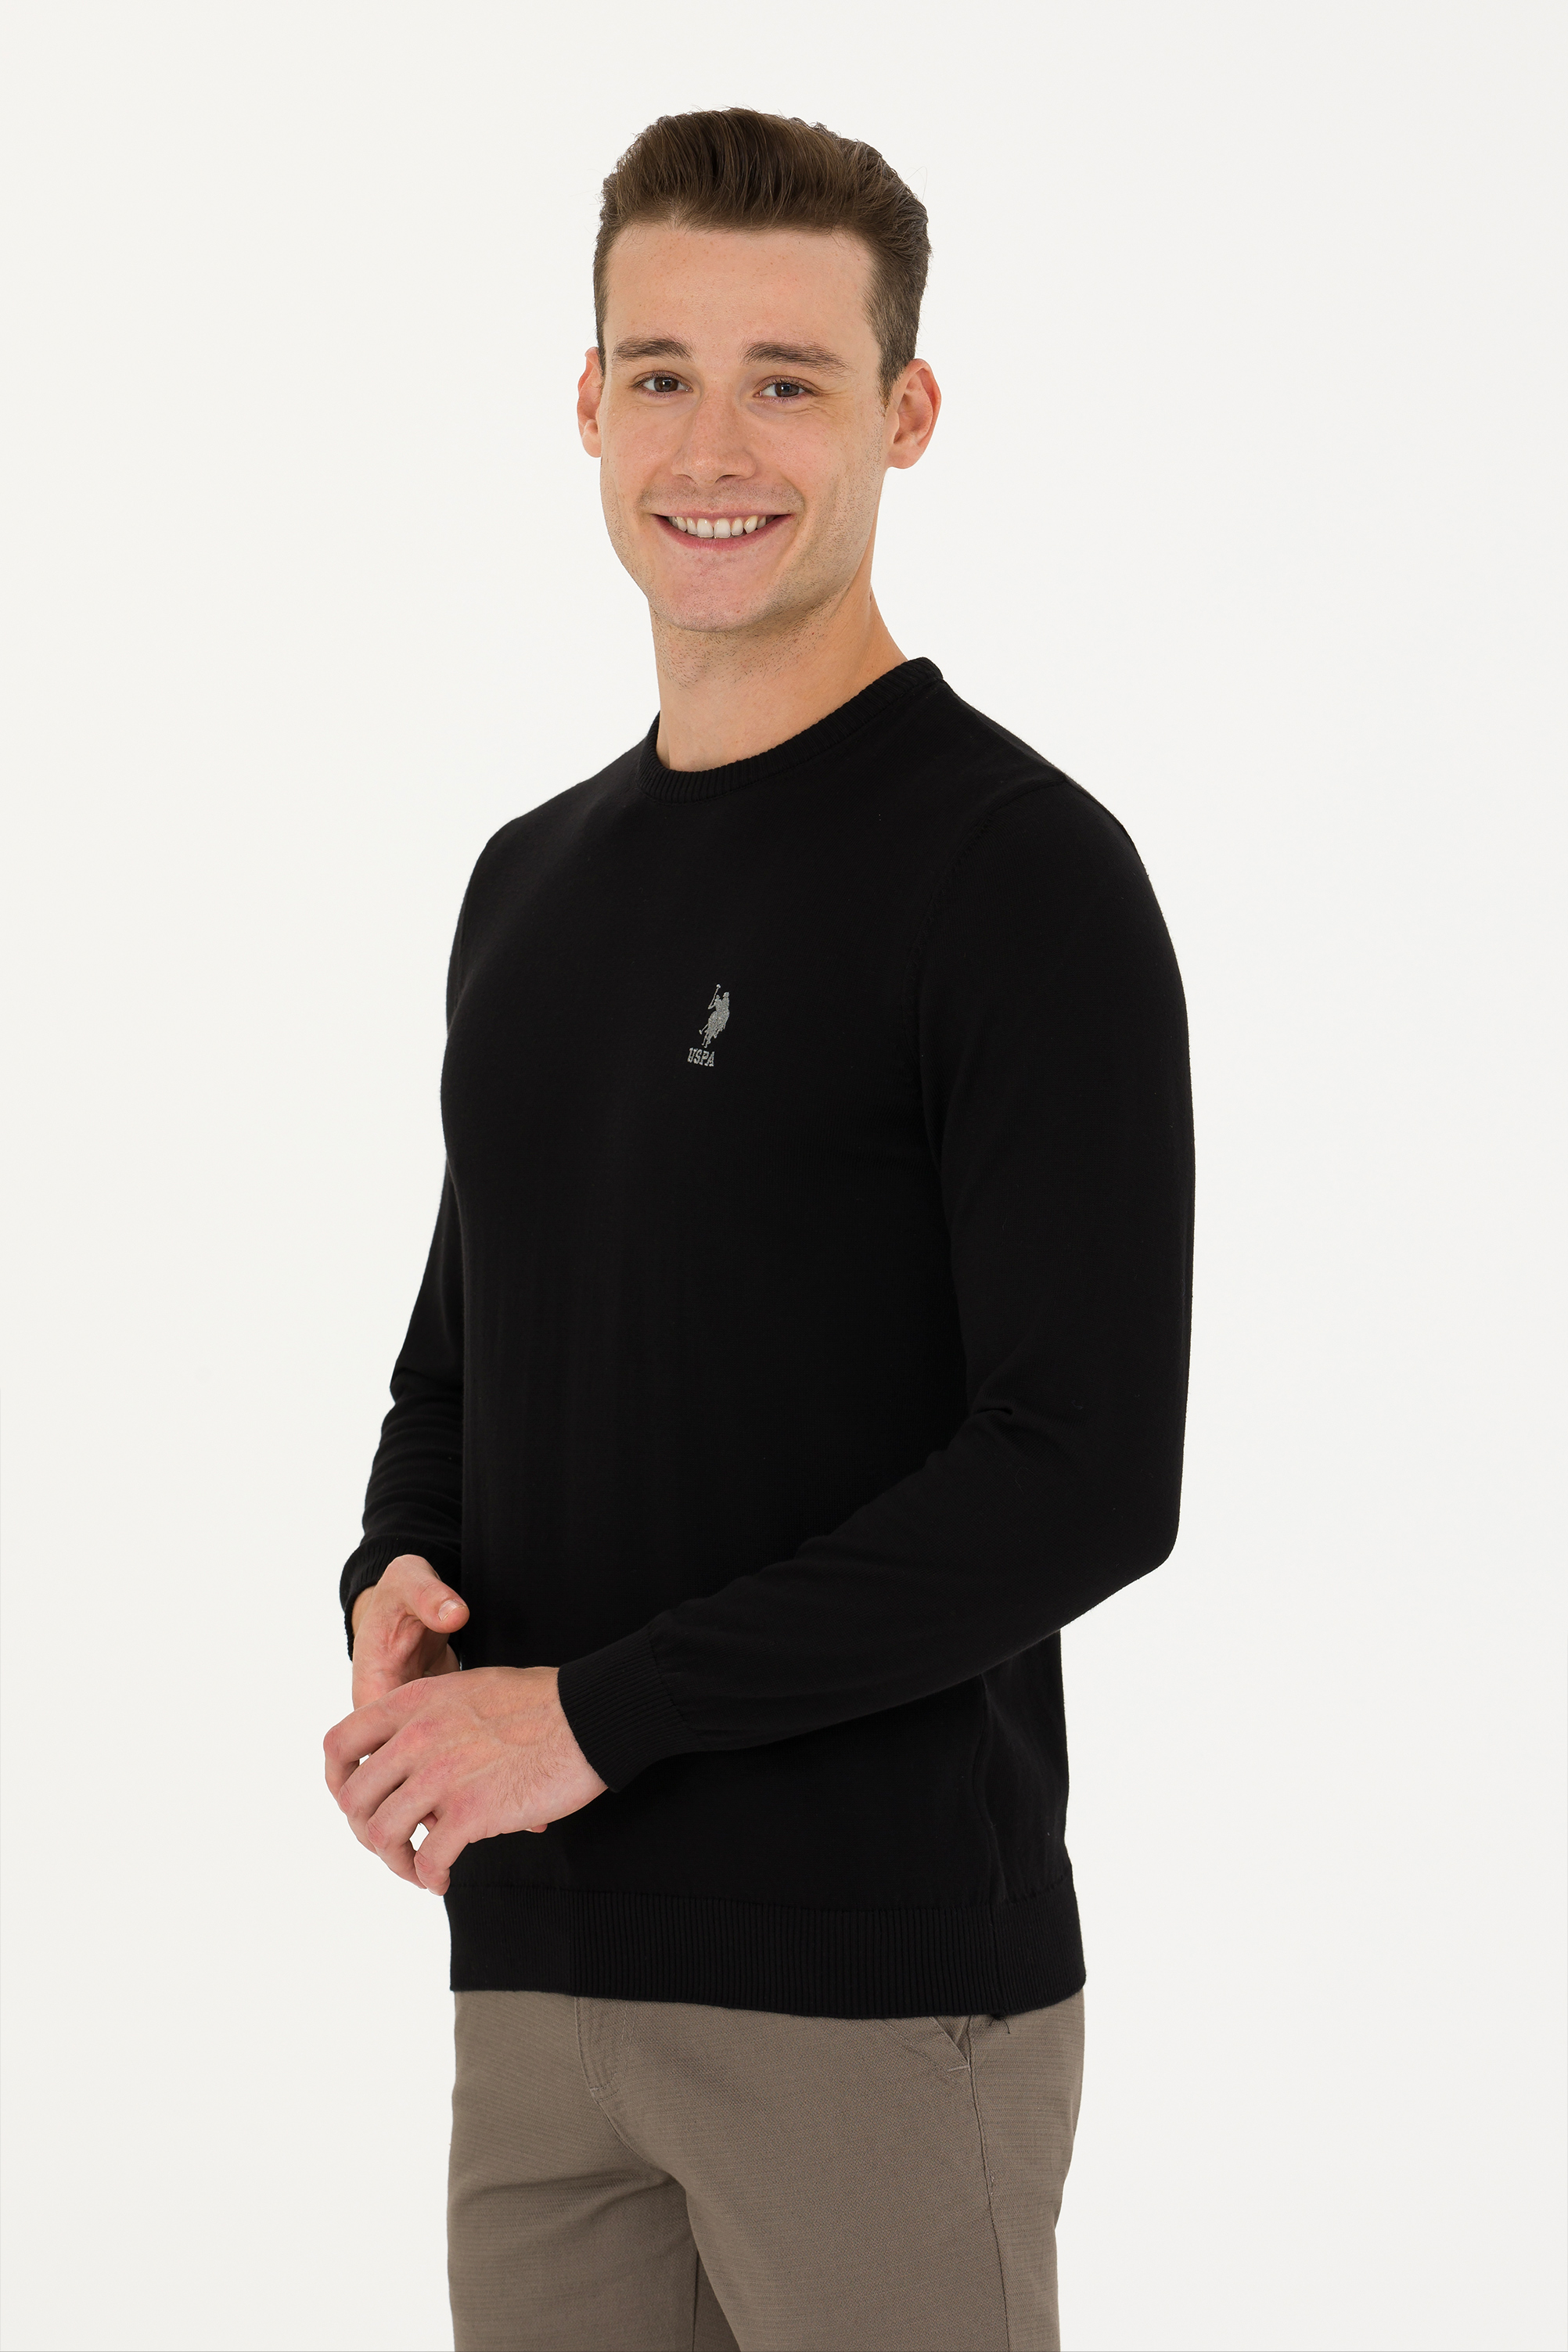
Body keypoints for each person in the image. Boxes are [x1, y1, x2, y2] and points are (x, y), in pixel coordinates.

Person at [324, 106, 1194, 2352]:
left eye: (787, 380)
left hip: (872, 1994)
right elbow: (464, 1354)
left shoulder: (1015, 875)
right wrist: (395, 1578)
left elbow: (1086, 1473)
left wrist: (592, 1720)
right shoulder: (531, 881)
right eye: (662, 372)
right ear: (587, 403)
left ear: (906, 411)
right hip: (539, 1971)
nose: (712, 445)